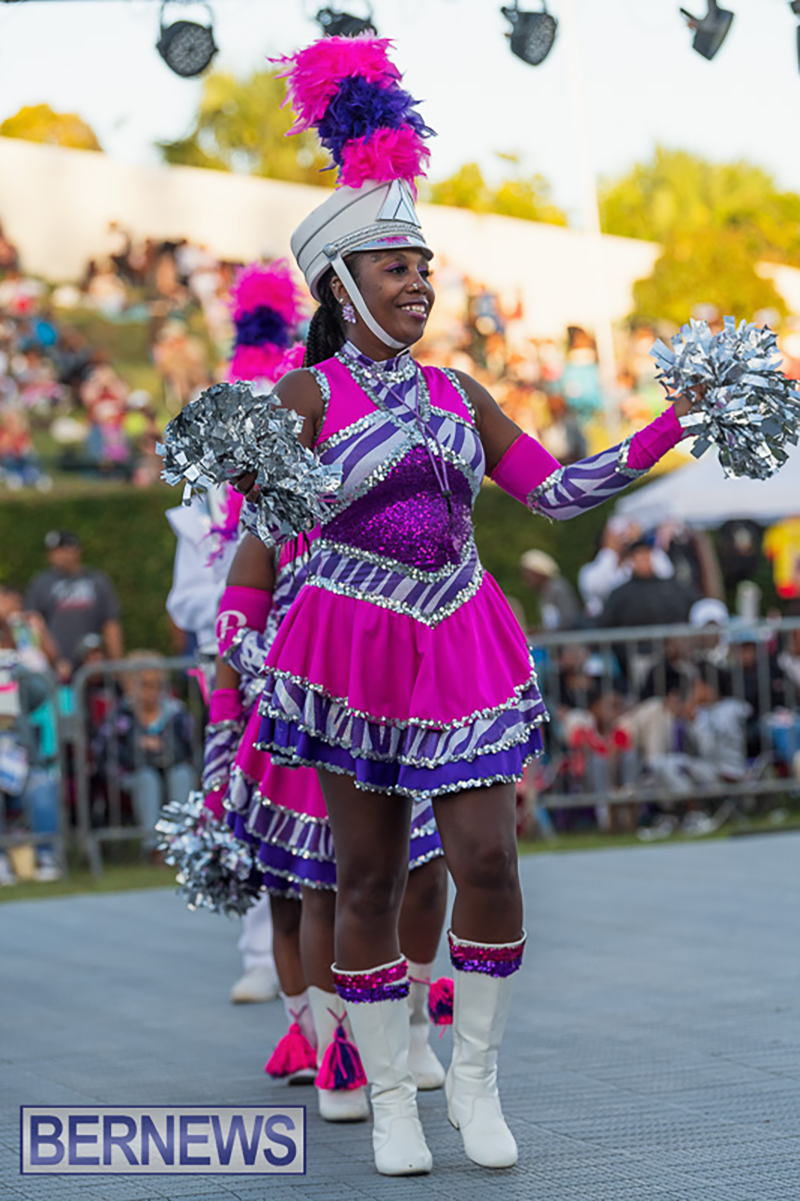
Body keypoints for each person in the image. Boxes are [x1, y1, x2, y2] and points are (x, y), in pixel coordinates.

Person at [220, 36, 697, 1178]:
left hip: (462, 634)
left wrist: (674, 425)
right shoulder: (302, 396)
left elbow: (560, 492)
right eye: (394, 267)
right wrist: (238, 628)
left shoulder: (458, 393)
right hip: (351, 650)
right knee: (368, 878)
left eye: (424, 265)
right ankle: (390, 1095)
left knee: (486, 859)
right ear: (342, 288)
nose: (418, 282)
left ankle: (473, 1079)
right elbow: (254, 524)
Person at [25, 531, 123, 679]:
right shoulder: (41, 583)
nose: (56, 556)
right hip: (56, 670)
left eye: (61, 550)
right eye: (53, 551)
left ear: (75, 550)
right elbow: (34, 624)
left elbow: (111, 623)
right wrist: (55, 660)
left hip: (94, 666)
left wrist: (115, 665)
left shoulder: (97, 581)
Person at [519, 549, 581, 631]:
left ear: (538, 572)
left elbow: (569, 619)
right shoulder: (544, 591)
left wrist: (542, 631)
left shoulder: (557, 589)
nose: (526, 579)